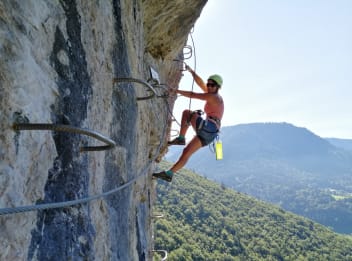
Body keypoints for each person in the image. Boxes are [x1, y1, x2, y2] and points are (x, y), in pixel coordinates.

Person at [153, 66, 224, 182]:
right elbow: (201, 83)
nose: (209, 87)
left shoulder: (213, 97)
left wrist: (176, 91)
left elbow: (193, 94)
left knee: (187, 113)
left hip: (209, 128)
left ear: (217, 87)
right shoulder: (212, 94)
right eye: (209, 84)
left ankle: (181, 138)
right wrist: (192, 72)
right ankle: (169, 173)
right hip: (211, 134)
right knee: (187, 152)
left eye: (212, 85)